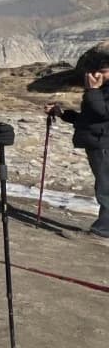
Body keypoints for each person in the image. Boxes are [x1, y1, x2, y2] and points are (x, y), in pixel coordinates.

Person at [45, 54, 109, 238]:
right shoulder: (102, 90)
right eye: (95, 71)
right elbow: (90, 119)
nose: (96, 75)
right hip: (99, 141)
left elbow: (102, 112)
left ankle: (103, 231)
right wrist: (63, 113)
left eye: (102, 71)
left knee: (105, 187)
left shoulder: (98, 91)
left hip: (104, 144)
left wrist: (93, 90)